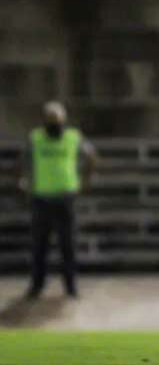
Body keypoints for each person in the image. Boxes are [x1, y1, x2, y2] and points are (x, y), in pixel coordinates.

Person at [16, 101, 98, 299]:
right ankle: (37, 286)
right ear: (45, 122)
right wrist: (24, 180)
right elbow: (23, 160)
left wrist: (85, 179)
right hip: (41, 198)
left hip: (65, 198)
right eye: (51, 122)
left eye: (58, 121)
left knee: (67, 245)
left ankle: (70, 287)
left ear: (64, 121)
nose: (55, 126)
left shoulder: (73, 137)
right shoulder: (35, 138)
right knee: (39, 246)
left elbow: (92, 156)